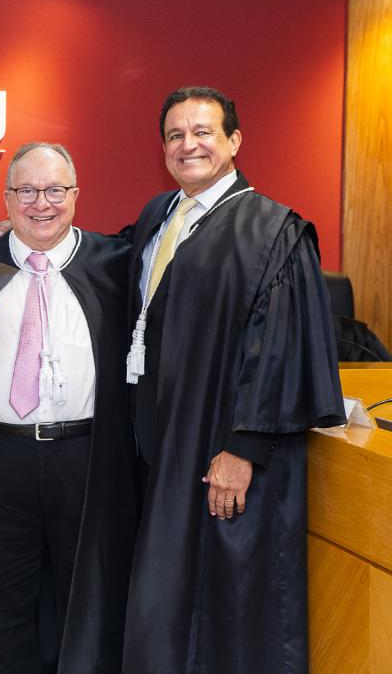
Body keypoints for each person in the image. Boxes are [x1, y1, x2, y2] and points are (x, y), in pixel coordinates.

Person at [121, 86, 344, 673]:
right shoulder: (158, 216)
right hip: (164, 445)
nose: (188, 145)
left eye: (203, 132)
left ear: (235, 141)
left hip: (223, 449)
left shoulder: (272, 231)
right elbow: (109, 267)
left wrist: (243, 448)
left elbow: (281, 349)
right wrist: (13, 234)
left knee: (228, 600)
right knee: (166, 594)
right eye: (175, 135)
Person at [0, 143, 140, 673]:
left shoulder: (115, 264)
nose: (42, 203)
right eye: (27, 191)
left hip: (86, 458)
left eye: (55, 190)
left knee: (85, 595)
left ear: (76, 195)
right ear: (7, 199)